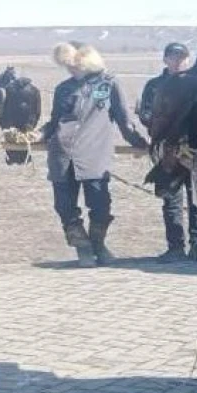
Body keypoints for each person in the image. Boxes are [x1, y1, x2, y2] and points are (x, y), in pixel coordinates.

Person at [41, 42, 149, 266]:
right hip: (62, 154)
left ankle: (98, 245)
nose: (71, 69)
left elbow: (124, 121)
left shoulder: (109, 84)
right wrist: (35, 134)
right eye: (67, 66)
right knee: (64, 207)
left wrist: (141, 143)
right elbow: (54, 122)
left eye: (74, 65)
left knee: (100, 205)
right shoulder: (63, 89)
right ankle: (83, 247)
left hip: (94, 155)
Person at [137, 42, 197, 263]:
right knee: (171, 199)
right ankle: (175, 247)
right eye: (174, 57)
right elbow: (145, 113)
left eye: (182, 57)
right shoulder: (154, 86)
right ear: (165, 59)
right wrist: (157, 125)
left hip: (195, 147)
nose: (178, 62)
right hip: (167, 148)